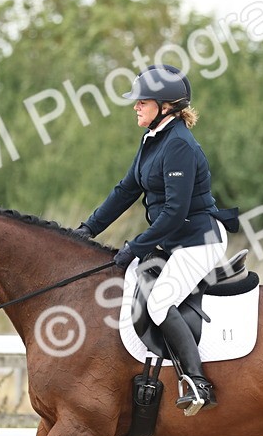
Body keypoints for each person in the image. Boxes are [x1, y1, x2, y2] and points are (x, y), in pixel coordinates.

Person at [71, 64, 238, 413]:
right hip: (174, 239)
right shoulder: (153, 139)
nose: (135, 106)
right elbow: (124, 191)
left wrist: (137, 246)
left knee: (160, 302)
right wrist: (86, 231)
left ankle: (198, 383)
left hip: (198, 239)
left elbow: (175, 212)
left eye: (142, 101)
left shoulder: (178, 145)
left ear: (166, 106)